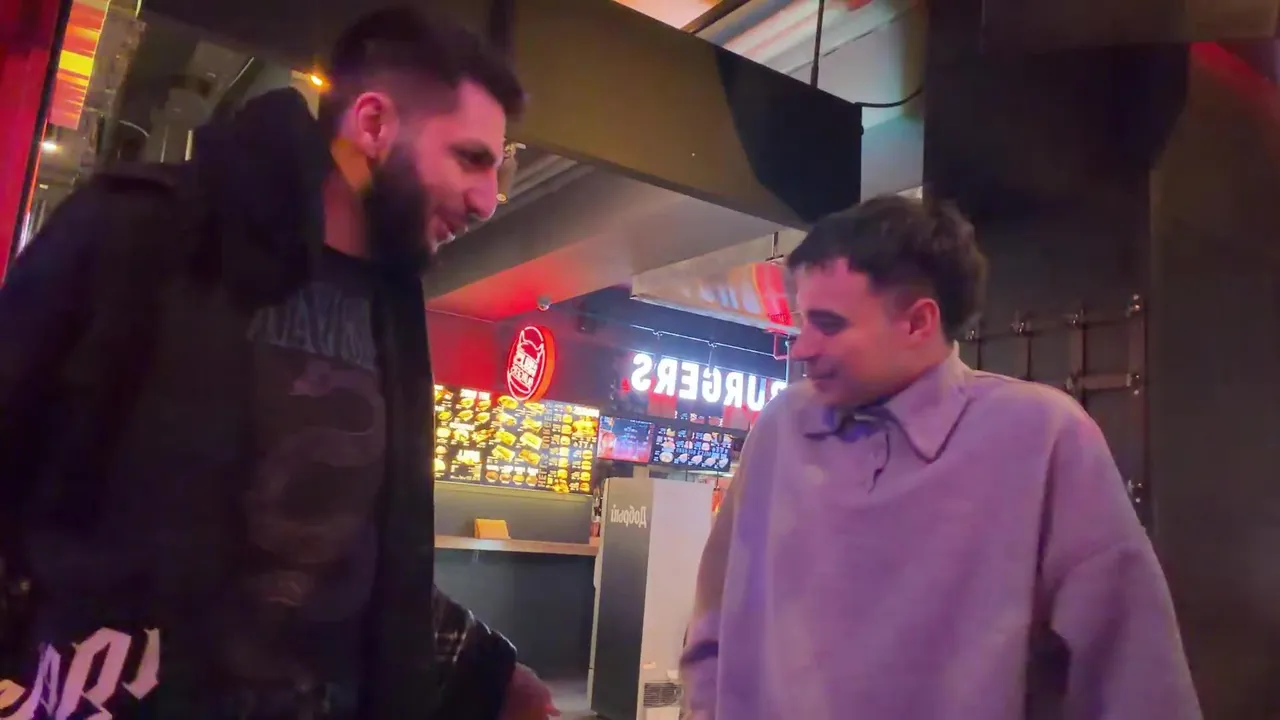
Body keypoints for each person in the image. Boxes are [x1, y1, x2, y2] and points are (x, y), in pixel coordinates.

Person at [0, 7, 558, 720]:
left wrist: (492, 674)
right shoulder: (138, 230)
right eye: (471, 158)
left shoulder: (389, 308)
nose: (486, 201)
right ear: (374, 124)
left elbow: (357, 553)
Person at [680, 195, 1201, 719]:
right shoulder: (780, 429)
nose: (802, 348)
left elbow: (1132, 671)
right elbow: (714, 620)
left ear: (917, 323)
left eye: (829, 325)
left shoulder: (1040, 436)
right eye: (803, 321)